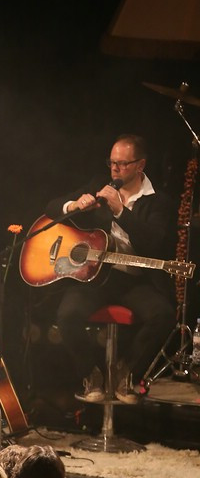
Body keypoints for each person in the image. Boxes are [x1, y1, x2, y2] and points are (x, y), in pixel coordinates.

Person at [44, 134, 175, 402]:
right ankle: (92, 373)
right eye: (112, 163)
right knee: (67, 314)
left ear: (140, 165)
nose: (115, 169)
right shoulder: (99, 185)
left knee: (163, 315)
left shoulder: (158, 200)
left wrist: (120, 212)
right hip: (98, 277)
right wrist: (74, 205)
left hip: (136, 280)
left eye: (123, 164)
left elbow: (154, 242)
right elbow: (51, 206)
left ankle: (127, 374)